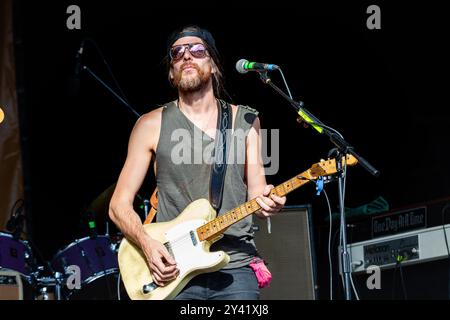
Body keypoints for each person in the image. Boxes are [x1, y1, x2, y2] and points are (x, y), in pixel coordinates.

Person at [109, 25, 286, 300]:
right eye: (177, 53)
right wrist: (147, 245)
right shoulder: (149, 125)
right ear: (171, 72)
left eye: (197, 50)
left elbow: (257, 196)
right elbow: (118, 204)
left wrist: (270, 203)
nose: (186, 56)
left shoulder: (246, 121)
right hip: (173, 268)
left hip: (235, 265)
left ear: (214, 65)